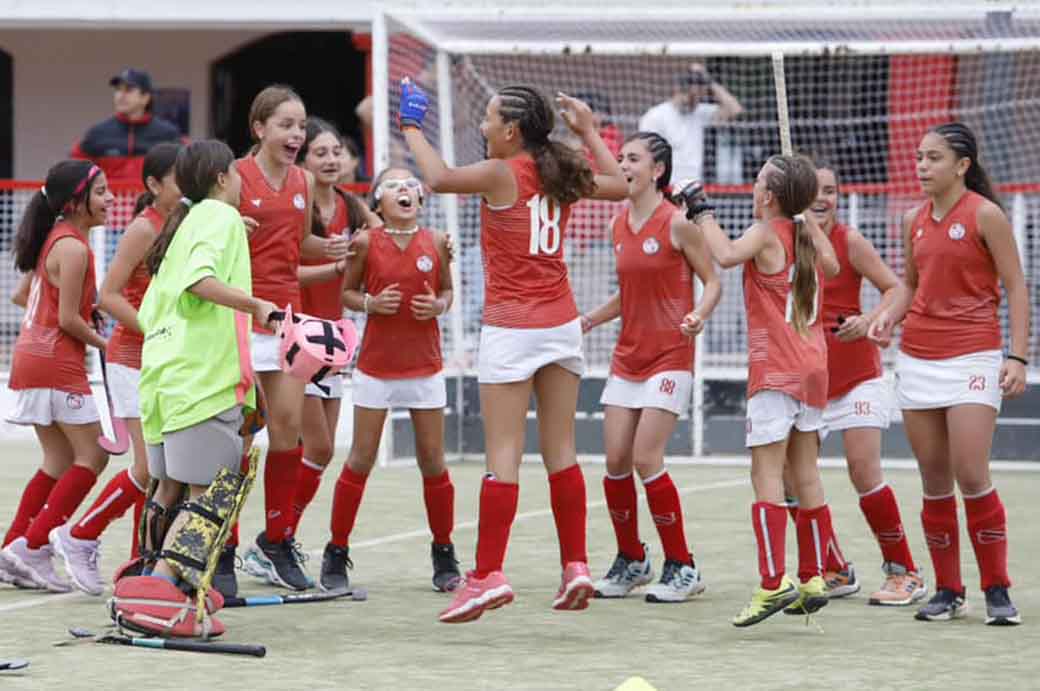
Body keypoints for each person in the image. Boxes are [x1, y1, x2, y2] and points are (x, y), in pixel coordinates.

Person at [401, 77, 627, 623]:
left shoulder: (503, 171)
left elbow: (434, 177)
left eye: (488, 119)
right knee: (562, 452)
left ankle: (486, 575)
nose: (481, 126)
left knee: (502, 453)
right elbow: (621, 184)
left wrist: (411, 124)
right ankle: (575, 564)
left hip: (512, 327)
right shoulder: (563, 170)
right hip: (561, 325)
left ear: (511, 130)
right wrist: (591, 132)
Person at [112, 139, 277, 639]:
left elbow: (164, 302)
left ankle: (150, 582)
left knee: (170, 487)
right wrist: (256, 305)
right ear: (224, 178)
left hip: (165, 379)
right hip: (201, 380)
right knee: (216, 491)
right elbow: (199, 282)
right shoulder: (219, 220)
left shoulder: (182, 225)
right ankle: (165, 590)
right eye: (238, 172)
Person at [869, 122, 1030, 626]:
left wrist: (1019, 356)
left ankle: (997, 590)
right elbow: (913, 288)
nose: (921, 166)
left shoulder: (986, 216)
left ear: (962, 165)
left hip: (973, 358)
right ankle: (948, 589)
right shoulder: (912, 220)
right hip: (918, 359)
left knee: (970, 473)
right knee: (934, 480)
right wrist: (887, 317)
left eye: (933, 158)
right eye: (919, 157)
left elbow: (1017, 286)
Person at [695, 154, 842, 627]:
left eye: (759, 182)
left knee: (767, 477)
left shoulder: (766, 232)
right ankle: (814, 576)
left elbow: (724, 254)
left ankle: (772, 582)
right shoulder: (802, 235)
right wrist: (806, 220)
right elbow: (835, 267)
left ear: (769, 196)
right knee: (807, 476)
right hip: (813, 370)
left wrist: (701, 212)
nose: (754, 188)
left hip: (776, 370)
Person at [582, 132, 721, 603]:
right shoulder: (617, 225)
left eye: (633, 159)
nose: (623, 165)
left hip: (670, 354)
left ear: (657, 170)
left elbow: (713, 280)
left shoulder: (678, 224)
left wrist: (699, 314)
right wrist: (588, 320)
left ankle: (683, 565)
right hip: (628, 356)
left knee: (645, 458)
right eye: (620, 157)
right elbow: (630, 294)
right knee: (615, 463)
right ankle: (632, 560)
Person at [47, 143, 183, 596]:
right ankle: (79, 533)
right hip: (131, 359)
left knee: (165, 474)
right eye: (178, 177)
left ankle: (137, 565)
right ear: (154, 185)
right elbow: (107, 295)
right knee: (147, 470)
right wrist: (153, 330)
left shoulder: (184, 222)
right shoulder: (145, 227)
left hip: (169, 360)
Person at [319, 167, 461, 594]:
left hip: (426, 367)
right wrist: (370, 303)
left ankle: (444, 552)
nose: (406, 190)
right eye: (394, 185)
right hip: (376, 368)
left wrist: (438, 305)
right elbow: (346, 293)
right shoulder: (365, 242)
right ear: (378, 201)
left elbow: (448, 291)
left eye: (411, 185)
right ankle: (336, 551)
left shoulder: (437, 241)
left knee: (433, 460)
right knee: (360, 458)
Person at [234, 85, 350, 592]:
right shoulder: (234, 177)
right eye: (286, 124)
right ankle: (221, 548)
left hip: (287, 323)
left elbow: (298, 242)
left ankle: (277, 540)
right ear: (259, 129)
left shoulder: (302, 179)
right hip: (239, 320)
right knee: (237, 438)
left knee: (287, 435)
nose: (297, 134)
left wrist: (331, 246)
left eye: (301, 125)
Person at [800, 155, 928, 606]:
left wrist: (869, 319)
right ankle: (835, 568)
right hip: (807, 381)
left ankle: (904, 572)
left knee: (863, 469)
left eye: (830, 190)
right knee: (793, 480)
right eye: (814, 189)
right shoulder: (782, 241)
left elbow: (896, 289)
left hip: (857, 376)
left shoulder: (849, 240)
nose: (823, 198)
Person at [0, 161, 113, 591]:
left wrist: (85, 309)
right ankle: (32, 548)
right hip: (55, 360)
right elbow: (68, 319)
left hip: (32, 356)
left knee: (59, 460)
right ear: (74, 202)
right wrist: (108, 345)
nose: (110, 199)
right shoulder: (75, 248)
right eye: (101, 192)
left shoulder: (55, 238)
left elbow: (21, 294)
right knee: (95, 456)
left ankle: (13, 548)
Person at [288, 118, 376, 542]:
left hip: (334, 338)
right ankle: (277, 537)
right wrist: (336, 266)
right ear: (304, 160)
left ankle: (280, 537)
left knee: (317, 453)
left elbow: (389, 237)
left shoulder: (352, 207)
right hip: (297, 336)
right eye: (320, 153)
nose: (330, 160)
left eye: (336, 152)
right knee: (318, 447)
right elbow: (285, 274)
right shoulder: (296, 205)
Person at [71, 69, 182, 186]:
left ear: (145, 97)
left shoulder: (169, 134)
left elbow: (184, 172)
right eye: (118, 90)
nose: (120, 95)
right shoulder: (96, 134)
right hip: (108, 202)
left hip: (153, 203)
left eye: (128, 90)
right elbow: (75, 173)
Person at [638, 62, 743, 184]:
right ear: (679, 90)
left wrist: (709, 81)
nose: (695, 102)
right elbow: (644, 154)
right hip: (666, 186)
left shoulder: (699, 112)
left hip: (693, 187)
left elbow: (735, 109)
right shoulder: (655, 116)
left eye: (699, 98)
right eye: (692, 97)